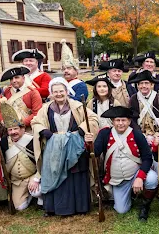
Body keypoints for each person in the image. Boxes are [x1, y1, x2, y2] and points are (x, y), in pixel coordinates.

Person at [31, 77, 99, 217]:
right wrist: (45, 132)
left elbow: (92, 118)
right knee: (54, 172)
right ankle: (54, 208)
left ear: (67, 91)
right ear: (51, 93)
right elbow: (35, 122)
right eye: (55, 92)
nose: (59, 94)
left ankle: (80, 207)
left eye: (61, 91)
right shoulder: (46, 108)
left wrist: (82, 129)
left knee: (76, 173)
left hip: (74, 144)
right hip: (54, 147)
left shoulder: (77, 106)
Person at [86, 106, 158, 221]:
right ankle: (133, 196)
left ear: (129, 121)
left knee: (152, 179)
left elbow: (147, 158)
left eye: (123, 120)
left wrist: (139, 178)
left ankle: (145, 206)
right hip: (117, 179)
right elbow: (95, 152)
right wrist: (89, 143)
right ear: (113, 121)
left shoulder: (137, 134)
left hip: (135, 174)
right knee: (121, 210)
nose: (120, 123)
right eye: (117, 120)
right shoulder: (104, 134)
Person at [0, 102, 41, 211]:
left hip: (31, 177)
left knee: (37, 192)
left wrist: (36, 179)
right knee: (19, 207)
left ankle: (37, 196)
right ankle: (28, 196)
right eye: (10, 130)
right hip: (17, 181)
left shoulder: (32, 140)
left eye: (15, 129)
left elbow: (42, 161)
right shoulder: (3, 142)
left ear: (22, 129)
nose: (13, 132)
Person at [0, 66, 43, 133]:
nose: (14, 81)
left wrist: (21, 124)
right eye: (11, 79)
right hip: (11, 130)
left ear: (23, 78)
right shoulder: (6, 91)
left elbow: (37, 113)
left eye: (17, 77)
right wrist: (4, 122)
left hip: (29, 129)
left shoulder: (33, 92)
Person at [128, 70, 159, 140]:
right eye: (141, 83)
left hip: (157, 133)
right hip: (140, 133)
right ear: (138, 85)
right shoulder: (133, 99)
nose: (143, 86)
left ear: (152, 85)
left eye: (146, 83)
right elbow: (132, 120)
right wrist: (140, 134)